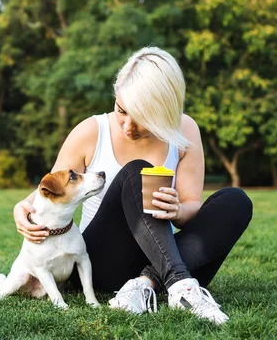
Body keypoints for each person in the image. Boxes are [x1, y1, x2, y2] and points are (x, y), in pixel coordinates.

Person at [13, 46, 253, 324]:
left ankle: (145, 285)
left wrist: (177, 211)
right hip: (104, 263)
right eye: (122, 110)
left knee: (235, 202)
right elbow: (55, 184)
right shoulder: (92, 131)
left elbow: (191, 208)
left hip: (165, 256)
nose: (128, 126)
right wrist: (23, 205)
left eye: (143, 117)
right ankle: (179, 285)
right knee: (136, 171)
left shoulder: (185, 131)